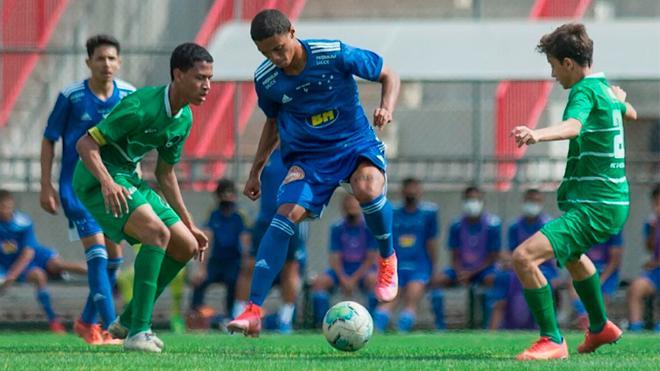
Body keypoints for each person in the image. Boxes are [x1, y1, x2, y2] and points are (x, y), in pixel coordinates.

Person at [228, 9, 400, 337]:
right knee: (285, 214)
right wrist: (256, 171)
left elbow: (388, 74)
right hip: (309, 159)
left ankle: (387, 258)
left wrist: (386, 107)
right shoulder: (266, 79)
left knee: (367, 189)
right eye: (266, 53)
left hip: (354, 145)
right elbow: (273, 122)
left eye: (279, 48)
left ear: (292, 32)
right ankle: (253, 310)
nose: (276, 58)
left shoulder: (332, 53)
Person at [73, 42, 212, 352]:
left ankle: (128, 318)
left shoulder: (184, 118)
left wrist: (190, 224)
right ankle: (139, 332)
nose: (207, 86)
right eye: (200, 78)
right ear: (178, 75)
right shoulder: (141, 106)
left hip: (127, 177)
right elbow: (85, 145)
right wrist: (108, 183)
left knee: (186, 245)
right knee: (156, 233)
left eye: (209, 78)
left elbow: (165, 174)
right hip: (96, 180)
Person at [511, 23, 637, 360]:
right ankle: (599, 327)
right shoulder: (606, 91)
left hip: (596, 205)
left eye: (553, 65)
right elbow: (632, 112)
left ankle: (552, 340)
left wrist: (537, 134)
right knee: (570, 256)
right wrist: (621, 104)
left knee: (523, 257)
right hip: (613, 201)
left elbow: (573, 127)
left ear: (568, 63)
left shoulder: (582, 92)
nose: (553, 75)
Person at [40, 34, 135, 345]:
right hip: (77, 188)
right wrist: (46, 185)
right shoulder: (72, 96)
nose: (106, 64)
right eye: (100, 58)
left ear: (118, 62)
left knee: (114, 260)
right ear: (88, 62)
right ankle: (110, 328)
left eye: (111, 58)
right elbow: (49, 138)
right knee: (96, 255)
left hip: (115, 187)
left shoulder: (128, 95)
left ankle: (85, 322)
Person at [234, 147, 308, 334]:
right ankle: (240, 314)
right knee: (249, 266)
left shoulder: (300, 152)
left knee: (289, 268)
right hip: (265, 219)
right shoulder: (267, 154)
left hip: (291, 218)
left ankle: (285, 320)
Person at [431, 186, 501, 330]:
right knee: (437, 281)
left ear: (482, 201)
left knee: (493, 280)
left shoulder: (493, 224)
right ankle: (440, 327)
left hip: (484, 270)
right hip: (461, 270)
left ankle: (487, 327)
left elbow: (493, 256)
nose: (472, 203)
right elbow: (454, 254)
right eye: (469, 199)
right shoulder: (456, 225)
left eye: (475, 199)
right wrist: (459, 272)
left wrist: (472, 273)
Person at [373, 178, 438, 332]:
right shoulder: (392, 212)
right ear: (402, 191)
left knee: (411, 298)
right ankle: (374, 330)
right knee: (389, 301)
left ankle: (402, 332)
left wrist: (432, 268)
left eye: (414, 188)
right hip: (396, 264)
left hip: (419, 266)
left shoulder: (428, 213)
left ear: (420, 191)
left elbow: (431, 243)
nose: (411, 192)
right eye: (408, 189)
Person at [0, 190, 68, 333]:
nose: (6, 209)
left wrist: (11, 275)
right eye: (3, 206)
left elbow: (28, 252)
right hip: (7, 266)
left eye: (8, 205)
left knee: (50, 269)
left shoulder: (22, 222)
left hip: (25, 263)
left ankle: (53, 321)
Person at [489, 189, 557, 330]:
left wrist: (528, 261)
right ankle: (493, 331)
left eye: (536, 201)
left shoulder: (549, 226)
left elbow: (550, 253)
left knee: (543, 281)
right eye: (529, 200)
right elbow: (510, 252)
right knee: (502, 278)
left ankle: (546, 330)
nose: (532, 204)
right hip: (517, 269)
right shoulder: (515, 226)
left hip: (543, 268)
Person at [188, 179, 249, 325]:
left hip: (234, 262)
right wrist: (201, 269)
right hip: (215, 263)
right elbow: (206, 239)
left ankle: (231, 318)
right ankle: (196, 316)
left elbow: (246, 241)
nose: (227, 197)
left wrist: (246, 269)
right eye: (223, 194)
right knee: (200, 282)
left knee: (234, 283)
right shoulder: (213, 215)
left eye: (230, 194)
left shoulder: (240, 216)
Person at [312, 194, 377, 327]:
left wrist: (353, 279)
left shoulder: (369, 228)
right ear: (343, 208)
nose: (351, 211)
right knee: (320, 283)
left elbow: (370, 259)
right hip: (342, 269)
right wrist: (343, 278)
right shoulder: (337, 228)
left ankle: (370, 323)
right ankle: (323, 324)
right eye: (348, 207)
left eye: (354, 207)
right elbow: (334, 257)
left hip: (361, 269)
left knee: (374, 281)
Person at [569, 232, 623, 330]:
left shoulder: (614, 230)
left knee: (601, 302)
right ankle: (584, 316)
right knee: (573, 285)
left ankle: (598, 324)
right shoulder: (583, 229)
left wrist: (600, 280)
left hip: (606, 275)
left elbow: (615, 260)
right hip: (585, 270)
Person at [627, 185, 660, 332]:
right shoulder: (651, 223)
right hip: (655, 271)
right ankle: (636, 327)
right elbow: (649, 247)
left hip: (656, 265)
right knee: (636, 288)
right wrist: (654, 228)